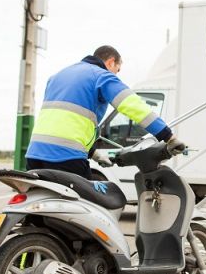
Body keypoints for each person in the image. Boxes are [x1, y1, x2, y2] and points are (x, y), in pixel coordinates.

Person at [25, 45, 184, 179]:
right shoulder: (101, 76)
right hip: (66, 157)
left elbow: (64, 125)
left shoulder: (58, 76)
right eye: (118, 69)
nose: (116, 74)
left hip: (34, 155)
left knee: (40, 210)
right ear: (111, 62)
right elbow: (133, 105)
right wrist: (168, 136)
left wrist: (95, 154)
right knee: (86, 207)